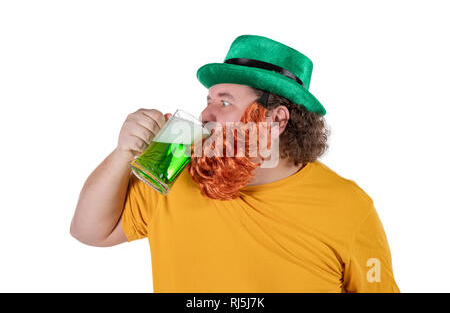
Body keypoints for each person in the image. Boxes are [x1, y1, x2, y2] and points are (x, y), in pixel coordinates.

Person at [70, 35, 400, 293]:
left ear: (276, 120)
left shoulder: (348, 207)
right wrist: (122, 154)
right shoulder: (176, 174)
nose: (205, 115)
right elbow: (89, 231)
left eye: (225, 102)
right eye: (208, 101)